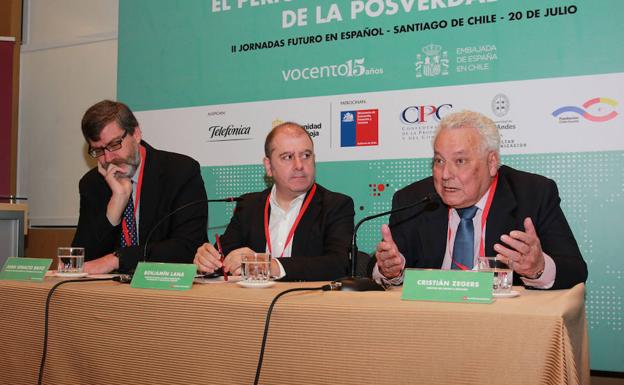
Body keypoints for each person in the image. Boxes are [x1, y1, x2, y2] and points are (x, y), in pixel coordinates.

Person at [373, 110, 587, 290]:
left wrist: (537, 267)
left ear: (492, 162)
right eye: (439, 160)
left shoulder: (533, 194)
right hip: (428, 321)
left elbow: (575, 270)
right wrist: (389, 271)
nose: (445, 174)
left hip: (503, 324)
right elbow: (385, 264)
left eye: (460, 161)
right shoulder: (413, 199)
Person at [194, 122, 354, 281]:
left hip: (306, 303)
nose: (299, 165)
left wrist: (270, 266)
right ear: (269, 166)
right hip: (252, 302)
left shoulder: (335, 205)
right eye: (288, 157)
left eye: (306, 155)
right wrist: (208, 260)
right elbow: (224, 255)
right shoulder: (249, 205)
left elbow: (338, 265)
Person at [72, 100, 208, 274]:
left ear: (136, 134)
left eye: (114, 145)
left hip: (165, 289)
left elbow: (187, 247)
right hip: (109, 292)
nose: (108, 158)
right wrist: (113, 210)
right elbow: (81, 260)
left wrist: (118, 259)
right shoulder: (92, 183)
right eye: (98, 150)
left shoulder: (180, 172)